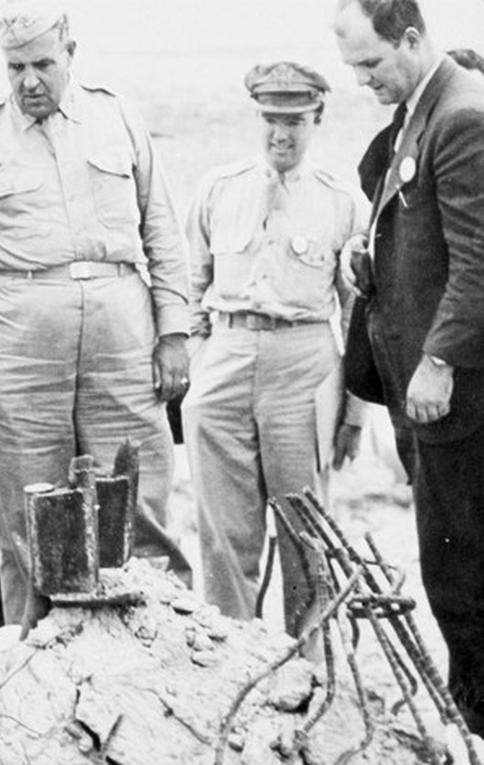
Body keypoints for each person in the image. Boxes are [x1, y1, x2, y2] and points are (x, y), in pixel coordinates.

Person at [0, 0, 191, 626]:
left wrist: (174, 332)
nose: (29, 81)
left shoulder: (118, 117)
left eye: (43, 64)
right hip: (15, 350)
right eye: (15, 67)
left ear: (71, 53)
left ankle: (154, 657)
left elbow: (162, 230)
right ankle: (37, 669)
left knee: (137, 499)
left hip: (122, 341)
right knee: (27, 520)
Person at [334, 0, 484, 733]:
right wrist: (370, 259)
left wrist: (439, 359)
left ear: (413, 39)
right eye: (354, 68)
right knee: (453, 573)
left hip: (456, 396)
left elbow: (480, 263)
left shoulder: (462, 117)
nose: (364, 81)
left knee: (465, 580)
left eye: (372, 63)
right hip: (422, 395)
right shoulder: (418, 117)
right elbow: (416, 230)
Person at [182, 62, 367, 637]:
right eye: (269, 120)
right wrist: (200, 362)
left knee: (305, 532)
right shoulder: (219, 189)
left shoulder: (343, 201)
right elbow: (192, 290)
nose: (280, 135)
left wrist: (354, 413)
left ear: (318, 119)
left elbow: (359, 314)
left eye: (294, 121)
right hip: (227, 357)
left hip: (304, 364)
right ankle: (229, 660)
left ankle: (308, 669)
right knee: (223, 535)